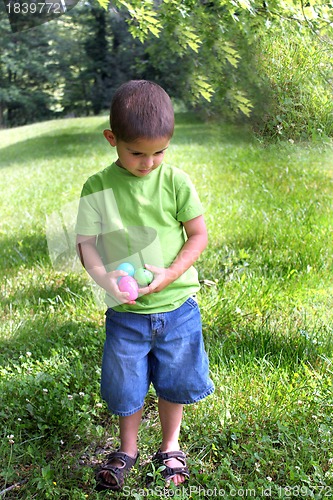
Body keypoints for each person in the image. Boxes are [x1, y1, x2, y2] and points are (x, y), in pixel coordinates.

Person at [75, 80, 214, 491]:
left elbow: (198, 234)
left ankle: (170, 445)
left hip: (177, 308)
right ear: (111, 139)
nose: (148, 162)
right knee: (126, 384)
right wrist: (103, 280)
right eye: (137, 152)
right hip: (126, 314)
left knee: (175, 381)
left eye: (159, 152)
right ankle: (128, 449)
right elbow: (86, 243)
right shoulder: (98, 187)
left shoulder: (174, 182)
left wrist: (171, 273)